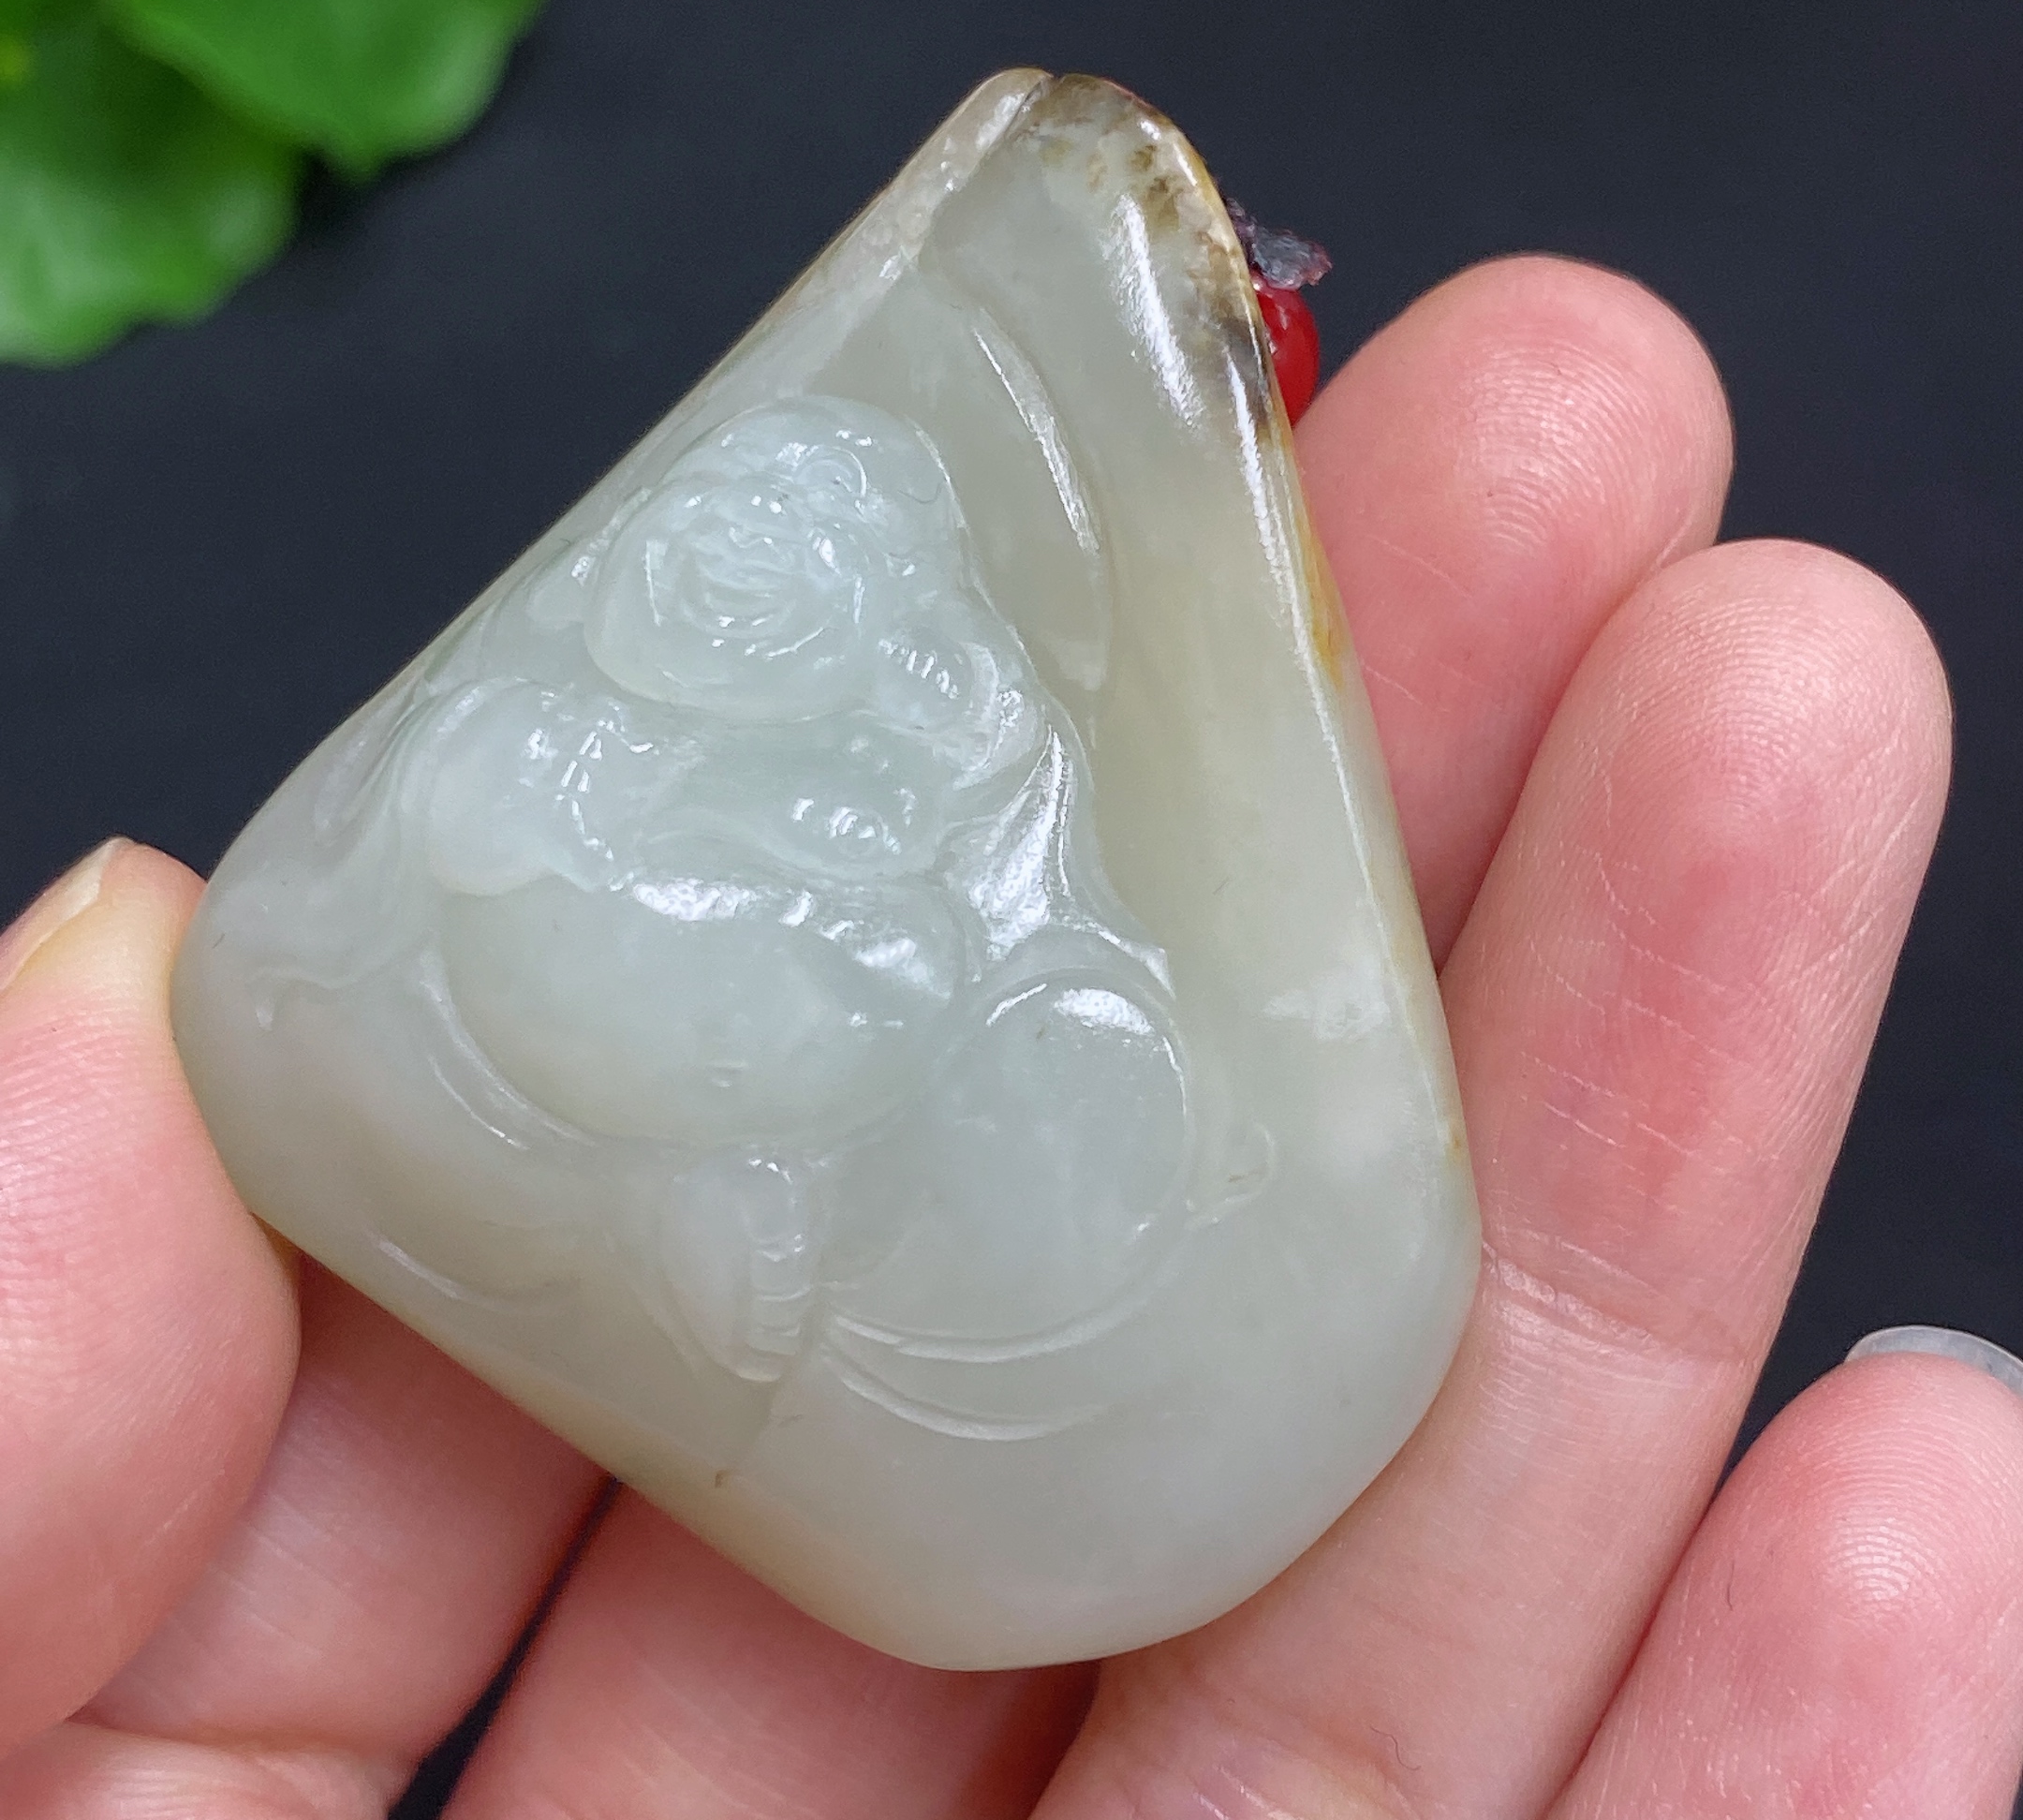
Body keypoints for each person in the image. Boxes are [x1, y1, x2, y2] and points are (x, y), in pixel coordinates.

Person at [1, 256, 2017, 1819]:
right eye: (739, 562)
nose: (740, 584)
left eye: (813, 576)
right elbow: (447, 875)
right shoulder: (533, 767)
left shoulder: (920, 768)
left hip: (853, 1143)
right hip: (667, 1100)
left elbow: (915, 904)